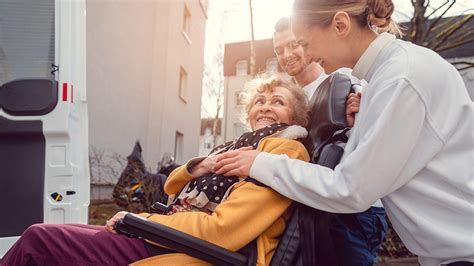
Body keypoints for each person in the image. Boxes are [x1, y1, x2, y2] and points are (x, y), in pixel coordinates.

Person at [214, 1, 474, 265]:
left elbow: (351, 189)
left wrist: (260, 162)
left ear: (340, 25)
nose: (308, 54)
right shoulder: (383, 80)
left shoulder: (401, 79)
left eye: (304, 43)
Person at [1, 75, 312, 266]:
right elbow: (172, 188)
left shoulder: (283, 149)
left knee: (38, 240)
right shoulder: (236, 145)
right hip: (167, 233)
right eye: (259, 100)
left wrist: (139, 221)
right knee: (44, 236)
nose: (265, 106)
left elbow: (223, 231)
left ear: (295, 115)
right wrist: (199, 166)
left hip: (193, 250)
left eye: (277, 101)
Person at [274, 16, 387, 265]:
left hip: (354, 210)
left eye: (293, 44)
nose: (287, 54)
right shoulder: (289, 100)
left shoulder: (345, 79)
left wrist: (361, 112)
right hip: (313, 206)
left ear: (308, 41)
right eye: (279, 50)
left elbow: (380, 129)